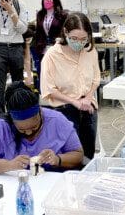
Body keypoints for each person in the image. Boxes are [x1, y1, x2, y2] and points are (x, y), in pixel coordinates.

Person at [0, 81, 83, 174]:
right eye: (22, 130)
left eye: (34, 127)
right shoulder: (0, 127)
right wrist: (9, 165)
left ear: (40, 112)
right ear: (12, 120)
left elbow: (78, 155)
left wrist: (58, 159)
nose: (28, 133)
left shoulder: (57, 121)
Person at [41, 12, 100, 160]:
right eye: (74, 38)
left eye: (83, 39)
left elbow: (96, 78)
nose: (79, 43)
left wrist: (88, 97)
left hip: (88, 107)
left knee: (88, 156)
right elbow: (49, 89)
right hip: (64, 110)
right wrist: (74, 102)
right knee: (70, 156)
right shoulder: (52, 56)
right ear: (65, 32)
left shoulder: (90, 50)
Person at [0, 0, 28, 114]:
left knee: (17, 84)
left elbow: (23, 29)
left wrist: (11, 11)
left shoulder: (19, 4)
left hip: (16, 47)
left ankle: (17, 113)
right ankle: (0, 117)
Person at [34, 0, 67, 90]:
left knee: (57, 76)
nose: (46, 0)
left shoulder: (62, 15)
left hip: (57, 48)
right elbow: (39, 32)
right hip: (42, 49)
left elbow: (65, 32)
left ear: (55, 0)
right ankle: (47, 98)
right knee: (44, 75)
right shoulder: (40, 14)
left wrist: (60, 40)